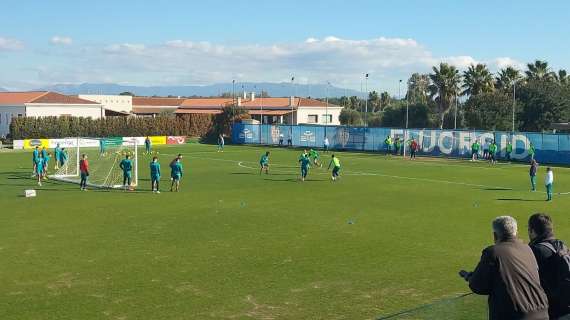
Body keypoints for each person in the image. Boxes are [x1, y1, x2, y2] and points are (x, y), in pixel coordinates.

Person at [459, 216, 549, 320]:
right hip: (542, 312)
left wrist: (469, 276)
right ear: (516, 232)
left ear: (495, 235)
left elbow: (477, 286)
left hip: (514, 315)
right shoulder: (527, 249)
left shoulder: (493, 252)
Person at [527, 213, 570, 319]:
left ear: (532, 230)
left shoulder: (535, 251)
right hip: (566, 305)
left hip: (550, 310)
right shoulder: (562, 245)